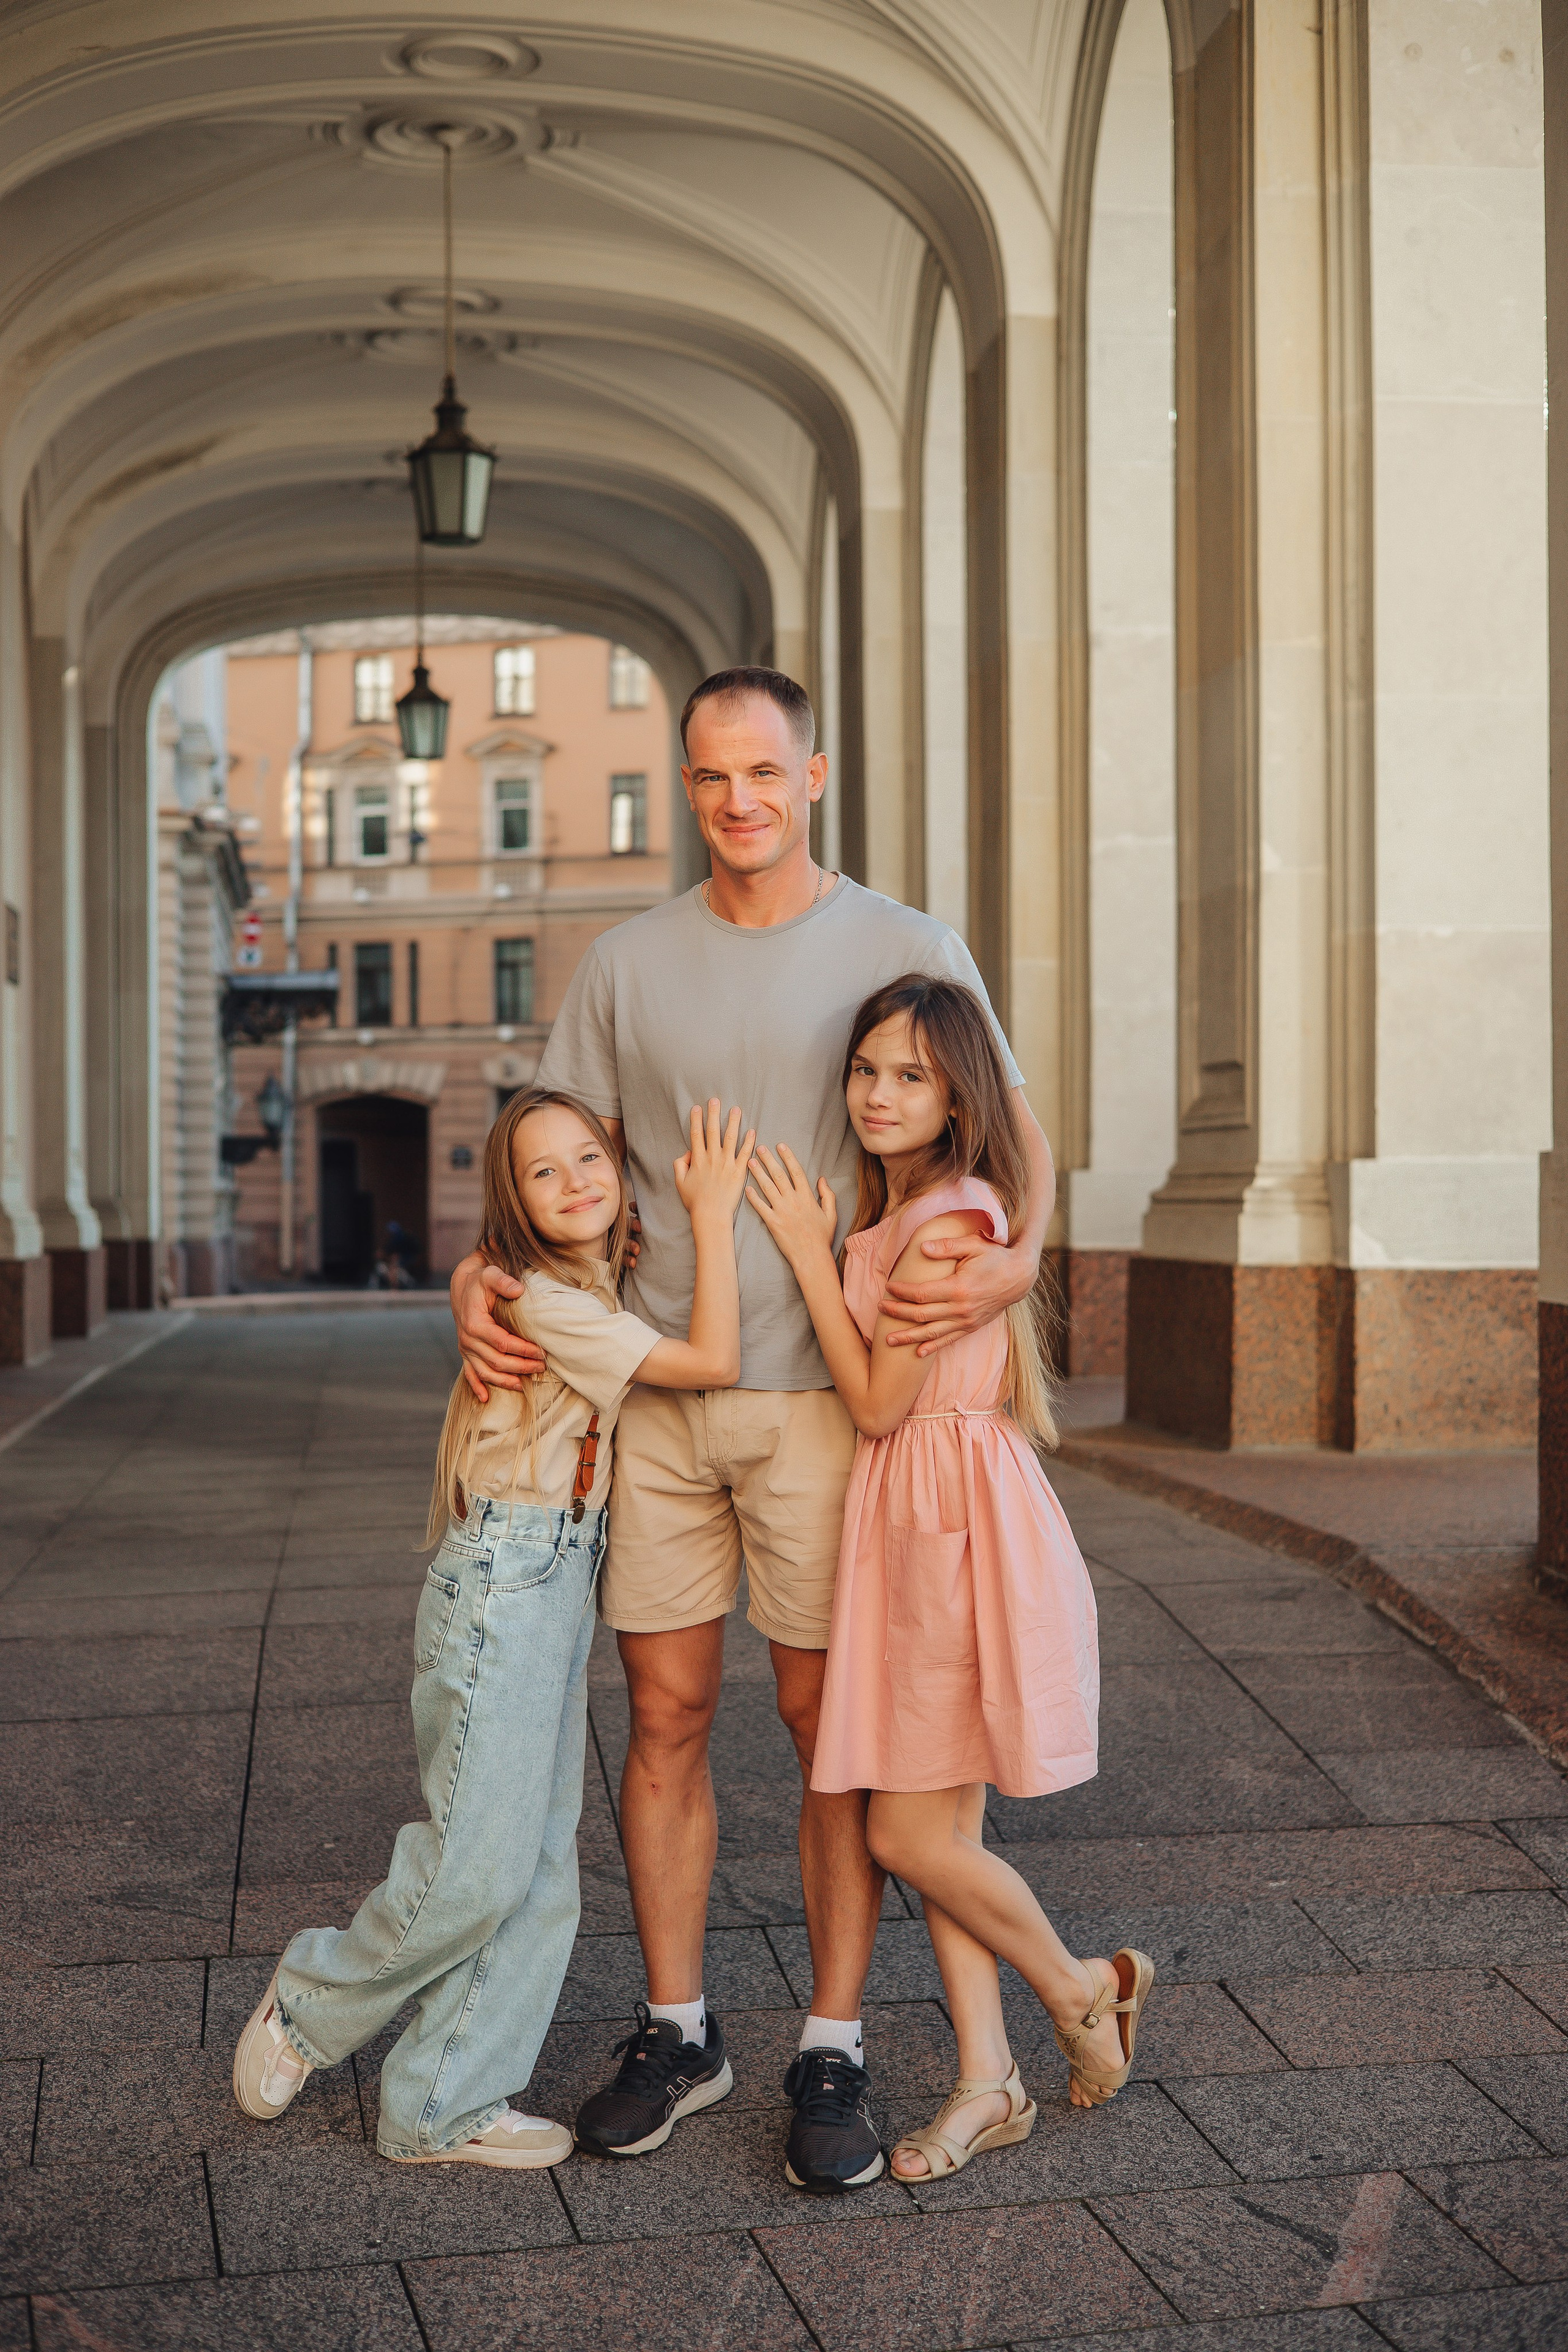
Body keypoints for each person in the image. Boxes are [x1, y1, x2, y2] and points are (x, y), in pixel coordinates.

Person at [448, 666, 1057, 2193]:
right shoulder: (627, 960)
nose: (737, 803)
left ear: (814, 773)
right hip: (656, 1399)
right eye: (710, 777)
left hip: (825, 1405)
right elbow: (549, 1149)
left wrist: (1029, 1249)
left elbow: (1016, 1124)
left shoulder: (906, 944)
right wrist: (477, 1266)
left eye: (763, 775)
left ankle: (832, 2042)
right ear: (687, 780)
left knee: (817, 1731)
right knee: (661, 1718)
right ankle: (679, 2029)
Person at [233, 1087, 753, 2166]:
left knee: (538, 1868)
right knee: (475, 1862)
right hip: (507, 1577)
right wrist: (714, 1213)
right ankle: (309, 2002)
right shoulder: (547, 1298)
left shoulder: (590, 1274)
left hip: (558, 1576)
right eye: (543, 1172)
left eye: (590, 1159)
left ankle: (444, 2102)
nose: (576, 1182)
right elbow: (711, 1365)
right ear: (510, 1199)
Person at [747, 973, 1155, 2177]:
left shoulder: (938, 1228)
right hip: (932, 1518)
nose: (877, 1093)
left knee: (908, 1835)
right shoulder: (934, 1213)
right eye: (866, 1070)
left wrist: (809, 1261)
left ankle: (1082, 1989)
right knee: (938, 1819)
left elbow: (876, 1402)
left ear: (956, 1094)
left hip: (940, 1521)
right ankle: (989, 2083)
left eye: (909, 1075)